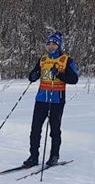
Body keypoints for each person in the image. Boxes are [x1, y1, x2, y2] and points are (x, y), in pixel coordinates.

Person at [23, 31, 79, 167]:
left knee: (54, 129)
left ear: (59, 46)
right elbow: (32, 75)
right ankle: (33, 157)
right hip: (41, 99)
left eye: (54, 44)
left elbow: (74, 79)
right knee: (35, 129)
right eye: (49, 44)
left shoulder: (66, 60)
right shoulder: (43, 59)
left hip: (56, 100)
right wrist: (33, 76)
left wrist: (59, 74)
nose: (51, 46)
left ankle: (54, 156)